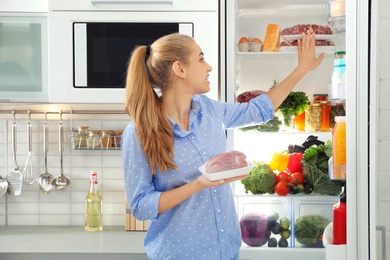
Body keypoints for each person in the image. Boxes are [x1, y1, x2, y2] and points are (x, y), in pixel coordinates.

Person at [121, 32, 324, 259]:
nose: (208, 67)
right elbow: (140, 206)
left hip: (226, 250)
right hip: (181, 253)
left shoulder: (207, 110)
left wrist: (301, 70)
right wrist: (198, 184)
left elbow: (258, 110)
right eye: (200, 58)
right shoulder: (139, 133)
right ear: (180, 69)